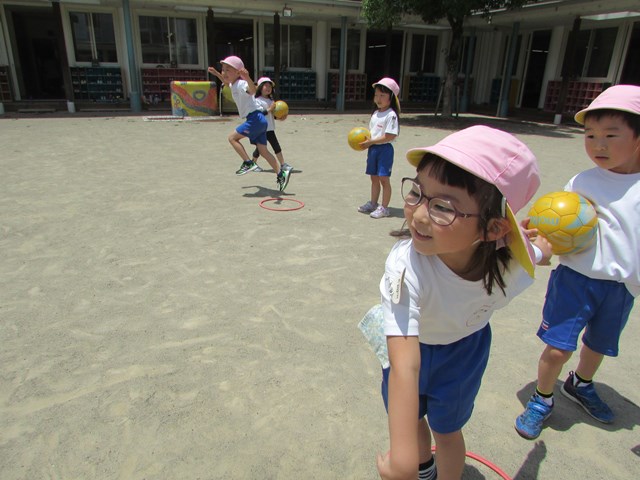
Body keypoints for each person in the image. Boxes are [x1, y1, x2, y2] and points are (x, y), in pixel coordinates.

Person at [376, 126, 551, 480]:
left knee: (447, 431)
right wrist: (404, 461)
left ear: (494, 230)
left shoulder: (511, 265)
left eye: (443, 207)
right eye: (417, 193)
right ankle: (423, 467)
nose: (419, 215)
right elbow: (405, 366)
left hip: (463, 354)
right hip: (407, 345)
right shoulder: (406, 267)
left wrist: (541, 249)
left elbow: (537, 253)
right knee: (411, 417)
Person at [515, 84, 640, 440]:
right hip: (576, 280)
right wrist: (537, 233)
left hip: (621, 287)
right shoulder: (583, 182)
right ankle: (542, 398)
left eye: (611, 135)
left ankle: (581, 383)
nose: (598, 144)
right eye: (590, 135)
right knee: (558, 348)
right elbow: (556, 223)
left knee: (598, 346)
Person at [207, 56, 291, 192]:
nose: (224, 72)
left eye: (228, 70)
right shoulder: (233, 84)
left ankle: (248, 162)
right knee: (263, 151)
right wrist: (216, 74)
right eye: (223, 69)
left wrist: (247, 78)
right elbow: (226, 82)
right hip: (259, 120)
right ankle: (281, 174)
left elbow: (252, 90)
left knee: (232, 138)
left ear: (238, 72)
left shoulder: (241, 84)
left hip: (255, 119)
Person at [357, 78, 400, 219]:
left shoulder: (391, 115)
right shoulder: (375, 113)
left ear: (391, 97)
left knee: (384, 179)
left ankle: (385, 208)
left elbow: (389, 136)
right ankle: (373, 203)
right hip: (373, 150)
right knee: (374, 178)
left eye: (382, 95)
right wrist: (366, 143)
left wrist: (371, 142)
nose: (378, 99)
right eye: (376, 95)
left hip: (385, 150)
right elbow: (372, 133)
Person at [249, 77, 293, 173]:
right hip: (261, 128)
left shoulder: (271, 100)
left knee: (271, 147)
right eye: (266, 86)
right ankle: (281, 165)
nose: (268, 88)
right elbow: (260, 114)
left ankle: (282, 165)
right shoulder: (256, 100)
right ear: (260, 87)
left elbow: (272, 115)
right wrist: (270, 109)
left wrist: (279, 117)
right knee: (262, 148)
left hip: (270, 128)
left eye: (270, 86)